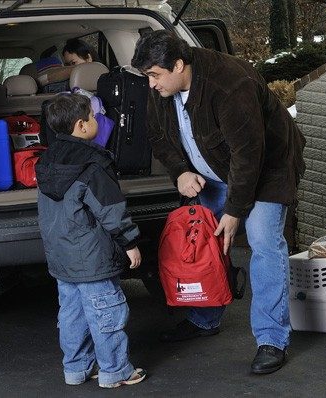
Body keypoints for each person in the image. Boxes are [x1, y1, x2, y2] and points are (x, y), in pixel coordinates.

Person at [131, 30, 306, 375]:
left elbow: (248, 155)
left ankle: (272, 339)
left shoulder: (230, 84)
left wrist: (234, 211)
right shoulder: (162, 85)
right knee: (204, 244)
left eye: (154, 75)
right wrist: (180, 170)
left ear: (179, 65)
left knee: (264, 243)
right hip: (210, 170)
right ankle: (204, 318)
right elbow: (156, 133)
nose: (150, 85)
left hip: (266, 169)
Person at [35, 93, 147, 388]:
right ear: (82, 126)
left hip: (60, 254)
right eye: (93, 117)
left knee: (72, 314)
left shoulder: (46, 161)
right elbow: (110, 210)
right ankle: (115, 371)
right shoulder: (93, 163)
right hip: (92, 255)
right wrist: (130, 242)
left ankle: (75, 369)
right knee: (106, 311)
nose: (97, 121)